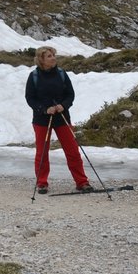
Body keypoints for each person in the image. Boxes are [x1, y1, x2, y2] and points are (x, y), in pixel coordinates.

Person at [25, 46, 93, 194]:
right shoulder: (34, 76)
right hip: (42, 119)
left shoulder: (61, 74)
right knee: (42, 153)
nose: (53, 58)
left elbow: (70, 94)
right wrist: (44, 109)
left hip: (62, 117)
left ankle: (82, 182)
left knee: (73, 151)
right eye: (49, 56)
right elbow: (30, 98)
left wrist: (63, 105)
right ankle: (42, 183)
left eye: (53, 55)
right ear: (41, 60)